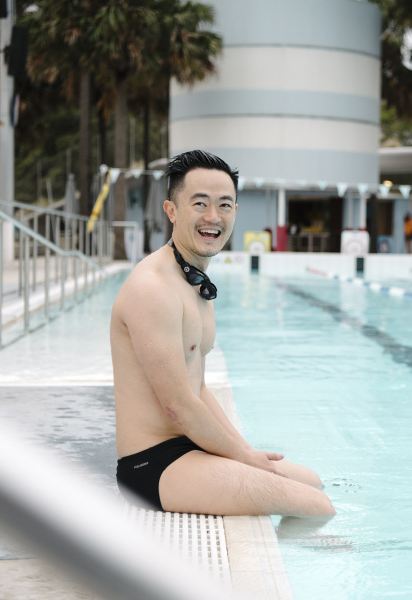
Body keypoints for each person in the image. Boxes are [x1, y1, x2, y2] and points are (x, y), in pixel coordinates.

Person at [110, 150, 334, 517]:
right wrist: (243, 457)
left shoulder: (194, 282)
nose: (213, 217)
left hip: (191, 447)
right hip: (152, 464)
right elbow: (177, 405)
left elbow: (196, 387)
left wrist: (243, 450)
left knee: (313, 482)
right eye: (200, 203)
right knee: (316, 506)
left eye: (224, 205)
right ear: (171, 211)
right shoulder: (153, 287)